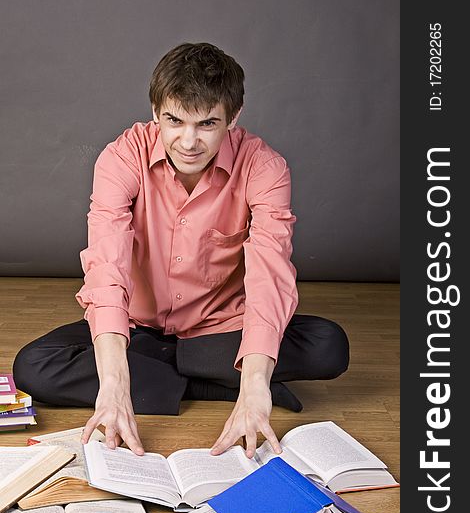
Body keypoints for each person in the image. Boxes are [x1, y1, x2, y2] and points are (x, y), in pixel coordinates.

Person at [13, 43, 349, 459]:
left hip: (220, 328)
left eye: (207, 123)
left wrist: (256, 384)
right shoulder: (122, 158)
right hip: (140, 329)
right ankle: (205, 381)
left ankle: (193, 376)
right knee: (33, 366)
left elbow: (270, 274)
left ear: (233, 117)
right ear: (156, 112)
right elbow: (107, 267)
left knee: (328, 345)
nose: (188, 142)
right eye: (174, 121)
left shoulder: (264, 167)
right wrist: (114, 387)